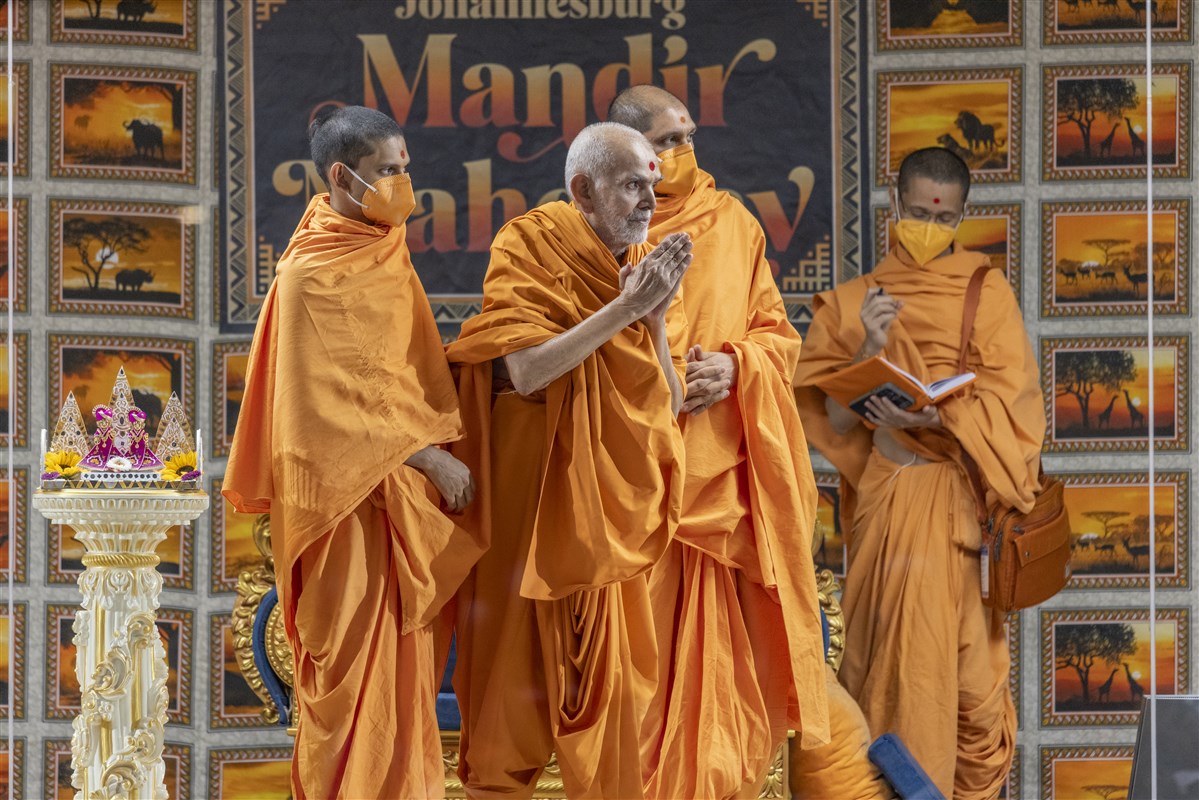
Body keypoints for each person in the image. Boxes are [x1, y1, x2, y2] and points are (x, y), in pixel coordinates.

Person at [223, 105, 485, 800]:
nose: (404, 184)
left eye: (405, 168)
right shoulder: (308, 276)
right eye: (388, 171)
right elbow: (317, 415)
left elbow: (397, 375)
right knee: (348, 690)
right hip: (342, 510)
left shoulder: (382, 249)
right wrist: (427, 457)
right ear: (341, 177)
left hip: (397, 506)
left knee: (402, 686)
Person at [446, 121, 691, 800]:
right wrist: (626, 308)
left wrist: (655, 319)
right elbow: (528, 370)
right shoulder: (528, 242)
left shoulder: (640, 267)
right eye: (632, 185)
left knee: (619, 697)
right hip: (530, 502)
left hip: (609, 515)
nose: (649, 201)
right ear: (583, 190)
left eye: (652, 186)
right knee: (509, 692)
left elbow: (669, 403)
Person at [794, 146, 1044, 798]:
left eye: (944, 217)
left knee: (965, 688)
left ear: (961, 216)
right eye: (917, 213)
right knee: (887, 666)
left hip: (955, 510)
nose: (929, 226)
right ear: (892, 203)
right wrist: (870, 348)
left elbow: (1014, 409)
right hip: (890, 501)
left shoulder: (986, 293)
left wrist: (943, 415)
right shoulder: (854, 304)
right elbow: (833, 422)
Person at [607, 85, 830, 799]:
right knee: (636, 688)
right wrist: (660, 376)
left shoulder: (732, 222)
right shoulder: (593, 227)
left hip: (718, 481)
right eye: (666, 141)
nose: (684, 151)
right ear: (628, 150)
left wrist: (737, 367)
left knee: (724, 697)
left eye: (688, 135)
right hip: (633, 484)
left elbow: (776, 335)